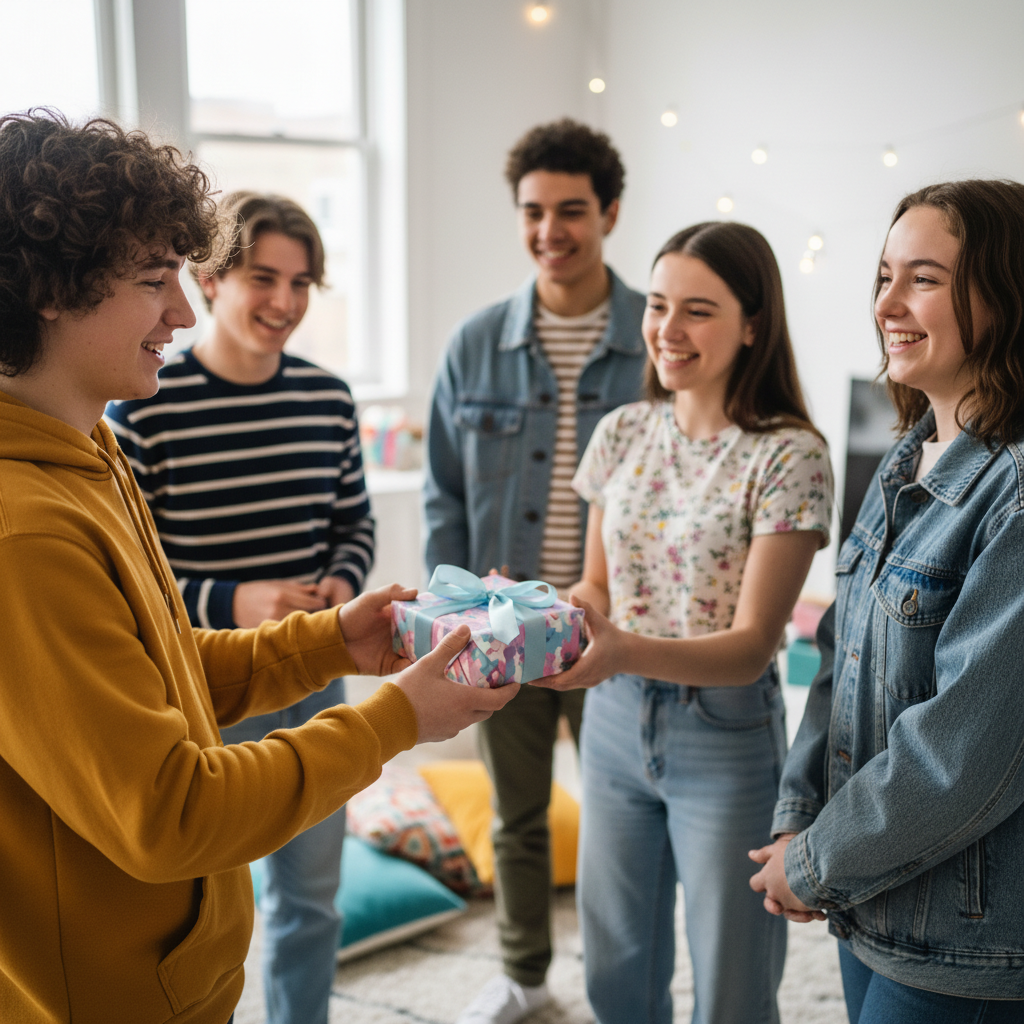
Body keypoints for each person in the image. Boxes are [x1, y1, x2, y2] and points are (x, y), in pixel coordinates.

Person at [0, 109, 517, 1024]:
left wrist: (326, 642)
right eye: (156, 279)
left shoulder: (86, 455)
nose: (182, 311)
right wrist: (398, 719)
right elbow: (172, 815)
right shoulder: (27, 533)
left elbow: (159, 667)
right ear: (51, 285)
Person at [534, 221, 834, 1024]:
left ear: (753, 325)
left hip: (725, 735)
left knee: (733, 987)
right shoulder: (622, 433)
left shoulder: (789, 456)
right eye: (659, 304)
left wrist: (620, 647)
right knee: (616, 970)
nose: (667, 330)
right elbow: (596, 586)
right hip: (611, 724)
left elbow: (750, 650)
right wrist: (541, 611)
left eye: (697, 310)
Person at [749, 180, 1024, 1023]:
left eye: (926, 279)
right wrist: (801, 819)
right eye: (883, 275)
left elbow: (965, 754)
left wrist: (818, 861)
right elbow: (838, 657)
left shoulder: (1014, 497)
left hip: (964, 940)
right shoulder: (904, 461)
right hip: (873, 901)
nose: (888, 304)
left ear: (1007, 297)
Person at [106, 190, 369, 1024]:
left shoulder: (328, 401)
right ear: (213, 280)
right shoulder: (144, 401)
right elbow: (131, 582)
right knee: (194, 910)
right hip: (196, 691)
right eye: (264, 278)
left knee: (310, 899)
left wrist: (341, 583)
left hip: (316, 673)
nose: (285, 303)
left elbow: (352, 522)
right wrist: (235, 599)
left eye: (302, 283)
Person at [423, 118, 646, 1024]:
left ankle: (621, 978)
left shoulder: (657, 339)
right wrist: (460, 607)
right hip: (502, 627)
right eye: (532, 212)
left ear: (610, 213)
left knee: (624, 819)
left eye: (571, 211)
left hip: (613, 629)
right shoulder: (475, 343)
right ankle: (521, 973)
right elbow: (443, 492)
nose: (550, 230)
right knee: (516, 813)